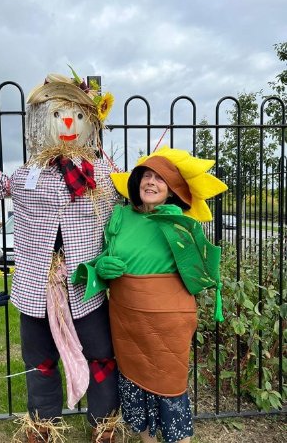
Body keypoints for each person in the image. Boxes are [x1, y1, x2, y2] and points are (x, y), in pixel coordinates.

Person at [0, 69, 119, 443]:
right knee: (39, 361)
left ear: (89, 120)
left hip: (86, 285)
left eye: (75, 113)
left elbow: (143, 195)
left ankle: (104, 423)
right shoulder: (27, 174)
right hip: (35, 288)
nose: (68, 122)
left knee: (102, 356)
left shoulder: (104, 175)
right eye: (58, 113)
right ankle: (43, 423)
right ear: (43, 121)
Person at [73, 146, 227, 443]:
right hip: (126, 319)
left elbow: (200, 272)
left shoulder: (181, 223)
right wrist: (102, 266)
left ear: (171, 191)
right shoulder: (120, 216)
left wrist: (177, 226)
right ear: (137, 182)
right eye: (146, 175)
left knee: (170, 388)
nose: (151, 182)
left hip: (166, 321)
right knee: (133, 387)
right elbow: (106, 255)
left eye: (160, 179)